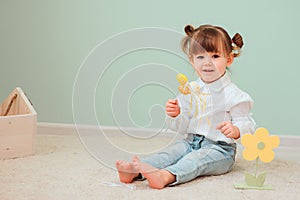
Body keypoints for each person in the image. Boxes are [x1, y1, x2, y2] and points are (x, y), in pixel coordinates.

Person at [115, 24, 256, 189]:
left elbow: (248, 125)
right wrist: (175, 114)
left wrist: (236, 130)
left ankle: (167, 176)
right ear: (192, 60)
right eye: (201, 57)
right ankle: (134, 171)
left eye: (215, 56)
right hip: (191, 141)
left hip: (220, 149)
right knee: (171, 153)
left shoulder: (234, 95)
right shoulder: (190, 90)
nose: (207, 63)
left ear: (229, 59)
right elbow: (183, 126)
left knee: (194, 160)